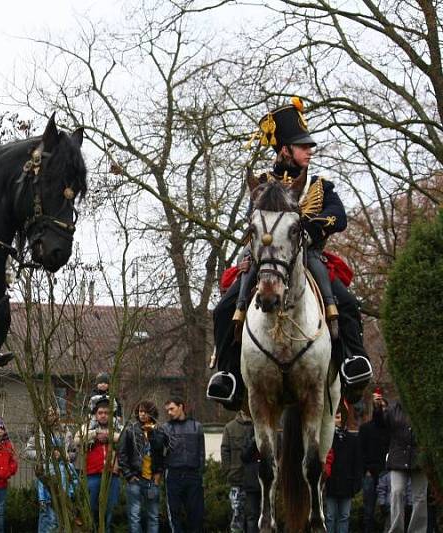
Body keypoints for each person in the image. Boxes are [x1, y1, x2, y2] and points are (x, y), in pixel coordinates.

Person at [207, 97, 372, 409]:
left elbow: (339, 217)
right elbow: (253, 224)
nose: (309, 150)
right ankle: (228, 376)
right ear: (285, 150)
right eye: (302, 145)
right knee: (224, 308)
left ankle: (353, 363)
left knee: (346, 302)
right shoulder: (263, 185)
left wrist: (309, 226)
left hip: (306, 255)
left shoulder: (320, 186)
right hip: (265, 258)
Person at [373, 393, 427, 533]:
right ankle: (396, 529)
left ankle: (417, 530)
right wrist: (378, 409)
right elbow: (380, 425)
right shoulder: (393, 408)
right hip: (398, 457)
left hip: (419, 457)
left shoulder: (424, 407)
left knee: (420, 497)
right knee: (396, 492)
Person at [75, 397, 123, 533]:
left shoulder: (117, 427)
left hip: (112, 474)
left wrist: (109, 435)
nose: (103, 415)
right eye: (100, 412)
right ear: (96, 414)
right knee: (92, 509)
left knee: (110, 509)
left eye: (107, 413)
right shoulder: (87, 426)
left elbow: (125, 438)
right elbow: (77, 440)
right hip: (92, 474)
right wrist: (95, 434)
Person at [117, 400, 165, 533]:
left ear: (152, 413)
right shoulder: (130, 430)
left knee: (153, 516)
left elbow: (162, 453)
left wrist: (158, 475)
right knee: (134, 516)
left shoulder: (159, 430)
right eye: (140, 411)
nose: (143, 414)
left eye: (146, 412)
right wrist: (129, 475)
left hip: (152, 480)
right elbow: (122, 454)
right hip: (135, 480)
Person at [161, 397, 205, 533]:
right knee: (174, 513)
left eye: (172, 409)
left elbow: (201, 452)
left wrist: (200, 472)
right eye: (167, 410)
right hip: (173, 474)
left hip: (193, 475)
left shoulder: (196, 426)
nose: (169, 412)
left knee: (196, 514)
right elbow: (159, 452)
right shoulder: (165, 428)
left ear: (181, 407)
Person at [323, 409, 363, 532]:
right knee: (330, 516)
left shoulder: (353, 440)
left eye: (340, 416)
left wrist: (356, 483)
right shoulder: (327, 439)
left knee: (344, 516)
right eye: (336, 416)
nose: (338, 419)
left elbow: (357, 463)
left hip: (347, 483)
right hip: (331, 483)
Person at [360, 388, 391, 533]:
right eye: (380, 406)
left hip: (386, 472)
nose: (382, 409)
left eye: (385, 406)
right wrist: (365, 470)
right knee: (368, 510)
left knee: (389, 509)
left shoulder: (390, 428)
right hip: (370, 474)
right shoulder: (365, 428)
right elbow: (361, 451)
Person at [221, 409, 254, 533]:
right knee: (237, 519)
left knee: (253, 518)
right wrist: (228, 472)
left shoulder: (258, 426)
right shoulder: (230, 427)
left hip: (255, 481)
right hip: (236, 480)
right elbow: (225, 451)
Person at [36, 440, 77, 533]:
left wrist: (70, 493)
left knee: (63, 521)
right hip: (49, 500)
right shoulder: (46, 466)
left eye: (58, 449)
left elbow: (74, 480)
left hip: (64, 499)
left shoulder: (68, 466)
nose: (55, 452)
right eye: (52, 449)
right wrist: (42, 498)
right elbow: (41, 483)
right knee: (50, 522)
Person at [239, 423, 261, 532]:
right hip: (252, 481)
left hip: (268, 481)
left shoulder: (274, 430)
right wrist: (254, 441)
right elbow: (244, 455)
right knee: (252, 516)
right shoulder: (249, 431)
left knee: (269, 515)